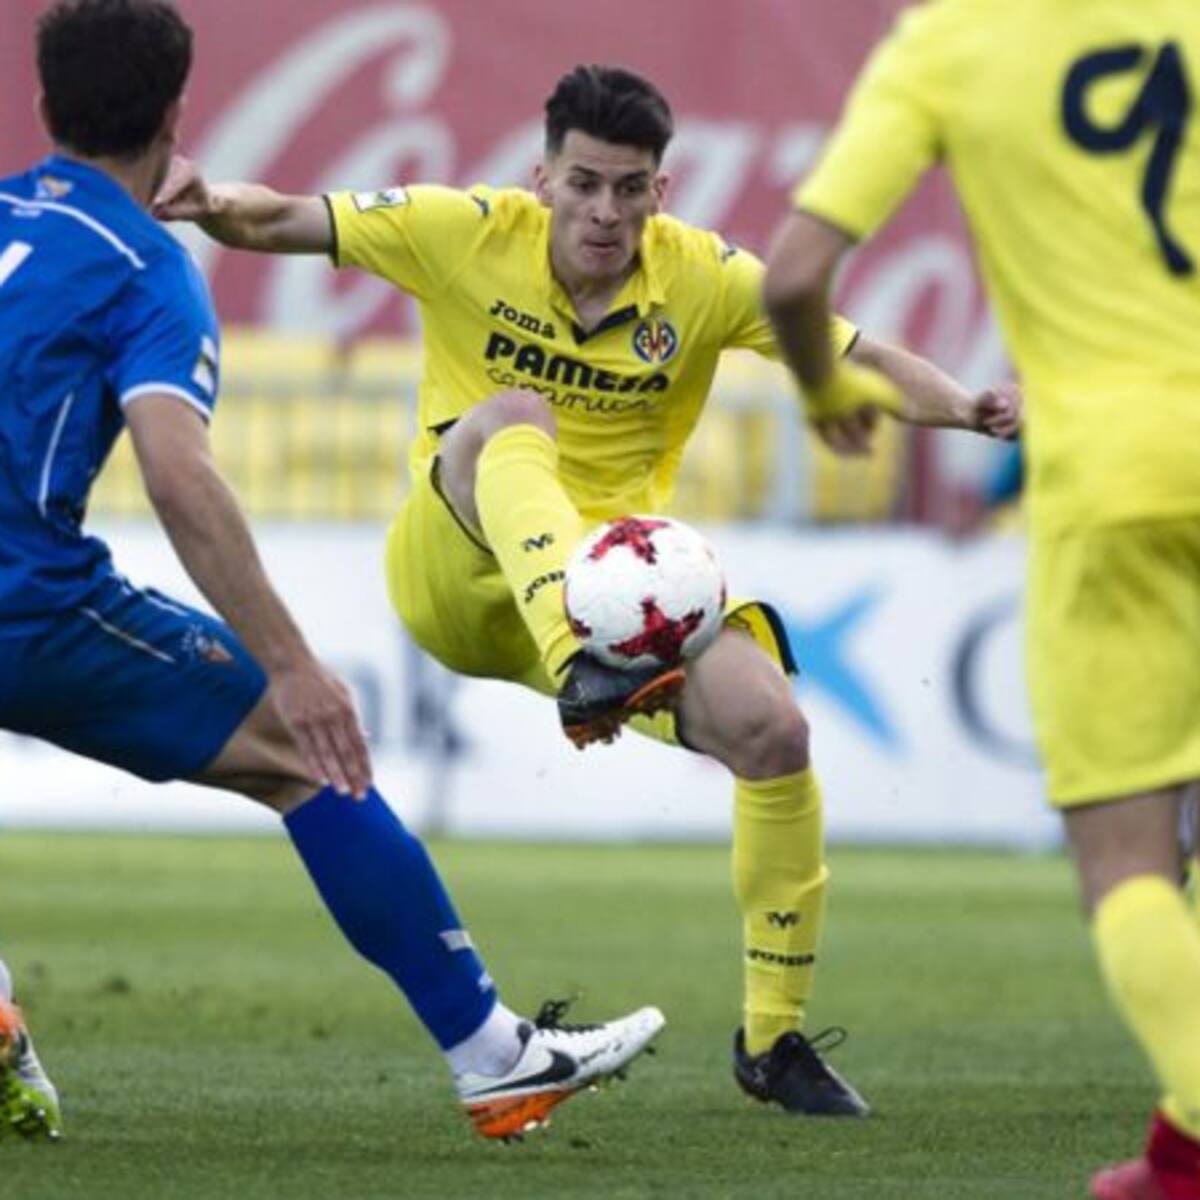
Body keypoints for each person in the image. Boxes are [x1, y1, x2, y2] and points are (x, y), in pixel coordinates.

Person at [156, 62, 1017, 1119]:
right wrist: (206, 201)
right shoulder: (461, 229)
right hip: (457, 569)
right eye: (585, 184)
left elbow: (854, 351)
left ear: (662, 190)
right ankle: (587, 662)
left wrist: (969, 407)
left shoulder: (702, 277)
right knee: (510, 417)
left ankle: (772, 1038)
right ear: (543, 178)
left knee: (774, 730)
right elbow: (288, 217)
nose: (606, 211)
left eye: (630, 188)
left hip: (614, 600)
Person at [0, 0, 664, 1145]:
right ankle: (495, 1057)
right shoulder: (147, 270)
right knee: (307, 757)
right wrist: (294, 662)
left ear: (47, 103)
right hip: (24, 602)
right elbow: (180, 478)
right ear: (175, 108)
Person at [762, 1, 1200, 1194]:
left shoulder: (952, 42)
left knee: (1132, 868)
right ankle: (1179, 1153)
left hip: (1115, 483)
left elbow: (795, 275)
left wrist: (816, 391)